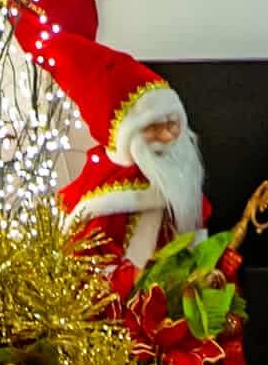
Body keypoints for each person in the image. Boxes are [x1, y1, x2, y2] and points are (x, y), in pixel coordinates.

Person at [47, 34, 207, 268]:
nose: (166, 137)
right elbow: (87, 272)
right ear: (126, 135)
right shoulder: (103, 202)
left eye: (172, 124)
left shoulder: (176, 180)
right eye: (153, 128)